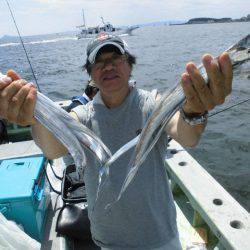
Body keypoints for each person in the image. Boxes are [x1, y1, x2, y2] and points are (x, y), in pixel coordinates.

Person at [0, 33, 232, 249]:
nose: (108, 66)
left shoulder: (153, 104)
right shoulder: (82, 116)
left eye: (116, 58)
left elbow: (188, 135)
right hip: (108, 240)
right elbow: (52, 149)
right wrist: (35, 119)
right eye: (99, 62)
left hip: (160, 237)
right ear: (91, 74)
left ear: (129, 65)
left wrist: (194, 111)